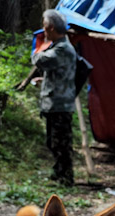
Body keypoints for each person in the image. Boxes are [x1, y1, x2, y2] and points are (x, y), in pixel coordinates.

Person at [30, 9, 76, 186]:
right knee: (53, 142)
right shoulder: (60, 47)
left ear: (50, 28)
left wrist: (37, 46)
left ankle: (66, 178)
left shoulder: (63, 48)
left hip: (60, 105)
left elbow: (40, 60)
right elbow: (59, 72)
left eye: (45, 27)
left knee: (61, 144)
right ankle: (58, 173)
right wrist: (45, 79)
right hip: (55, 102)